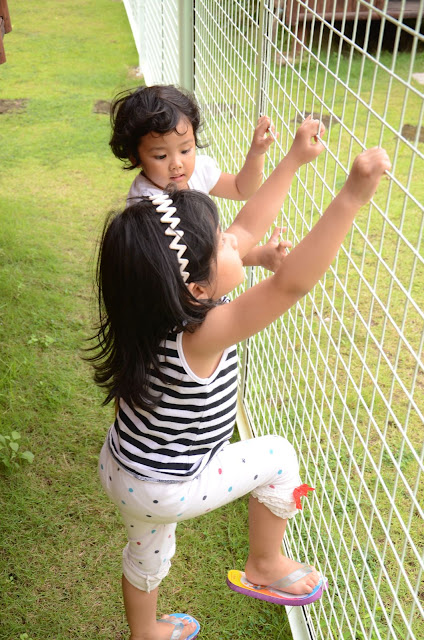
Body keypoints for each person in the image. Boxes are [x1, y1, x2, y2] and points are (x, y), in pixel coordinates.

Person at [89, 116, 391, 640]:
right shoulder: (205, 332)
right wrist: (351, 196)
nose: (235, 243)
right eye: (223, 248)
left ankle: (147, 634)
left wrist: (293, 160)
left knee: (148, 551)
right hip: (166, 484)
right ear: (198, 288)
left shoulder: (154, 310)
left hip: (123, 467)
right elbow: (291, 285)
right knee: (277, 457)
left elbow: (247, 227)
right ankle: (265, 565)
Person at [109, 83, 291, 272]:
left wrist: (256, 153)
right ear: (135, 157)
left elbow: (241, 188)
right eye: (161, 156)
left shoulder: (198, 170)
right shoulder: (147, 207)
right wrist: (257, 255)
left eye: (186, 150)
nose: (177, 163)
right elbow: (201, 265)